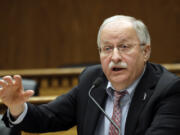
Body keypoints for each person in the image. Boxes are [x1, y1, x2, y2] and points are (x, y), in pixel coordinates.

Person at [0, 15, 180, 135]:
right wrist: (17, 107)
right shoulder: (93, 81)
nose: (115, 57)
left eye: (124, 47)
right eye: (107, 49)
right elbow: (47, 118)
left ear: (146, 52)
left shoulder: (168, 90)